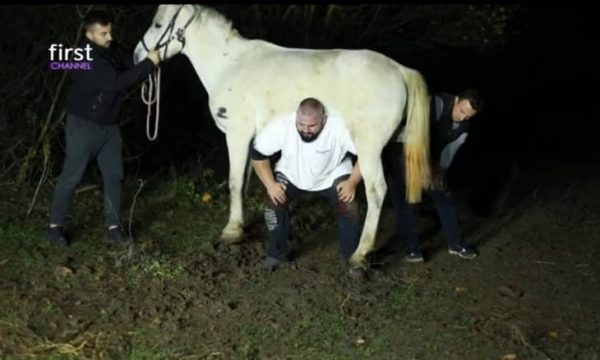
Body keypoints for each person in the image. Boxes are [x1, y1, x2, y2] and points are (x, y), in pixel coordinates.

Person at [47, 10, 162, 246]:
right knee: (72, 176)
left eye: (110, 31)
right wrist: (149, 63)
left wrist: (151, 56)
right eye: (103, 33)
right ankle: (55, 227)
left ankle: (113, 228)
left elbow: (130, 60)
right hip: (83, 126)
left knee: (114, 177)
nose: (109, 36)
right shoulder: (84, 57)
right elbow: (115, 83)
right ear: (89, 34)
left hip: (109, 128)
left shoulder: (111, 48)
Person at [250, 98, 364, 277]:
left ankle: (352, 258)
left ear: (324, 120)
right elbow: (258, 155)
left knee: (349, 205)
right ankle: (276, 254)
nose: (305, 130)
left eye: (312, 126)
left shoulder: (340, 126)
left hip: (332, 173)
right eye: (301, 124)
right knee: (273, 203)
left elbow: (367, 154)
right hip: (292, 173)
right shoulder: (282, 124)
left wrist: (352, 182)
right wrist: (270, 184)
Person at [382, 88, 484, 262]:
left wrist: (438, 174)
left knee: (444, 195)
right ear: (456, 99)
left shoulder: (464, 127)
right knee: (405, 199)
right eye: (461, 111)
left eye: (468, 116)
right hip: (402, 148)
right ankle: (412, 249)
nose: (462, 117)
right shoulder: (435, 103)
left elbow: (449, 152)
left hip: (429, 159)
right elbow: (418, 136)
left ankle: (455, 244)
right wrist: (426, 169)